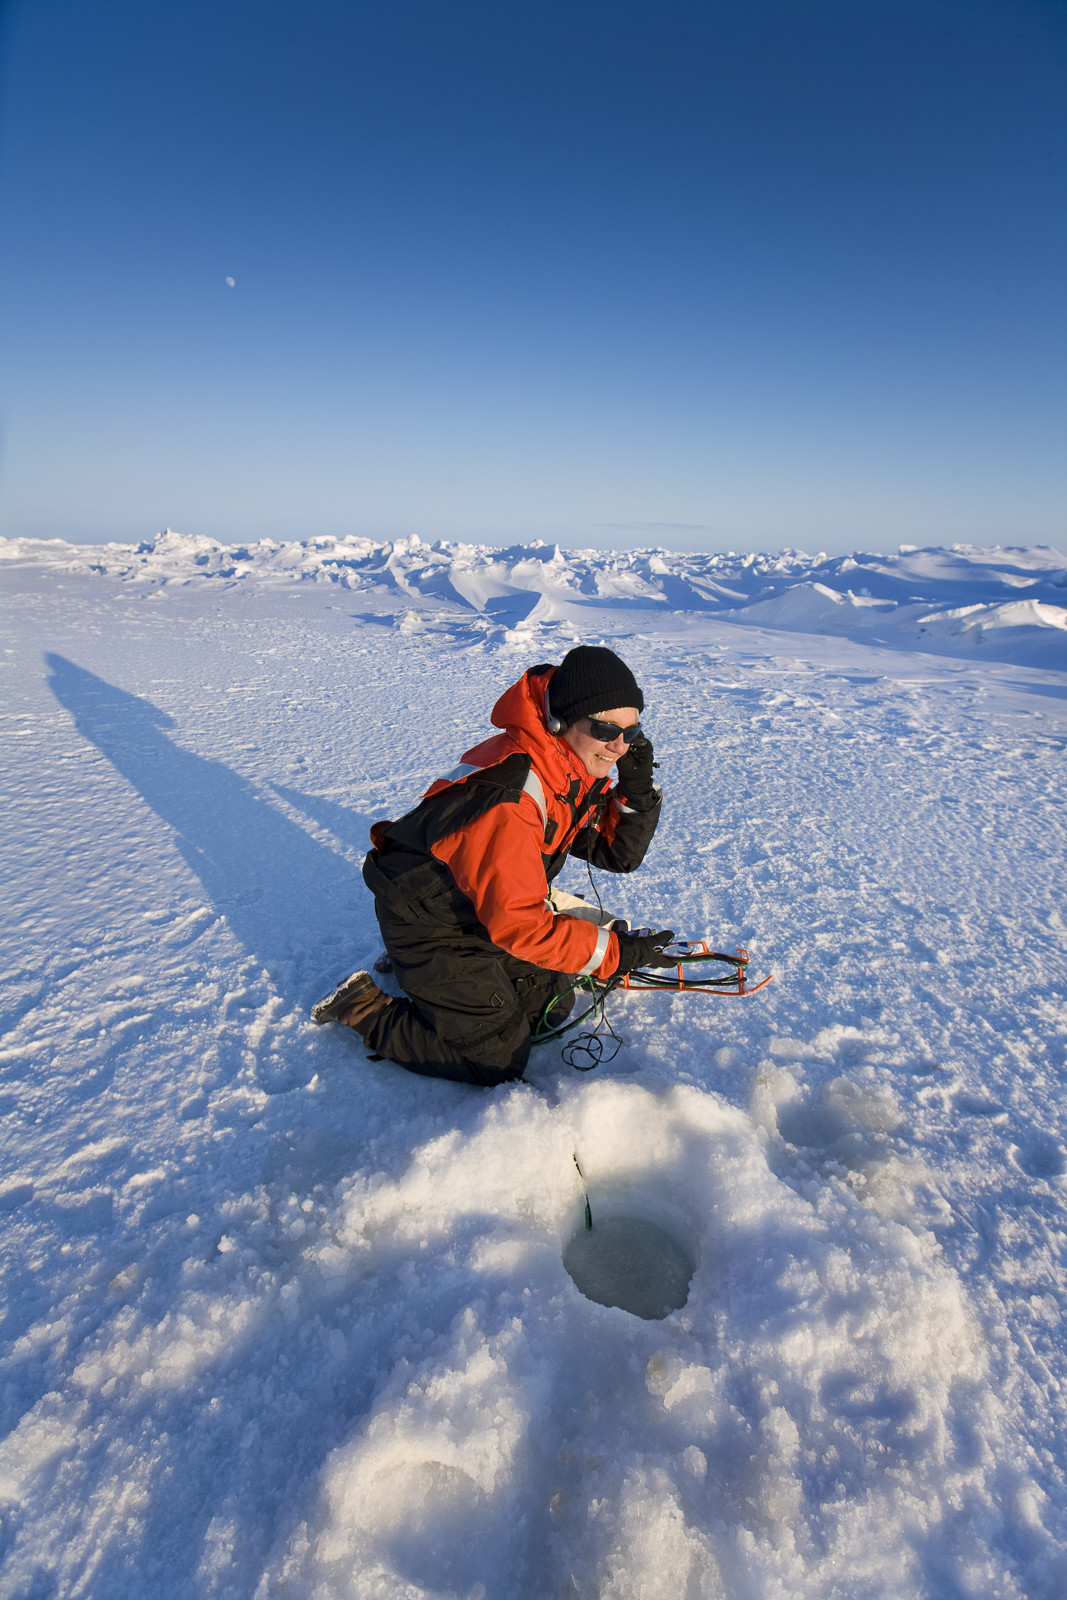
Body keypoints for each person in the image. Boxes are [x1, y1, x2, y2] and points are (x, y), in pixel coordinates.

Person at [311, 645, 675, 1085]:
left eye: (632, 733)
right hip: (431, 919)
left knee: (550, 1006)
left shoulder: (567, 767)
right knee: (497, 1057)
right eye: (605, 729)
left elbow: (617, 855)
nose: (619, 746)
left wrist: (635, 793)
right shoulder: (512, 797)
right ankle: (364, 1006)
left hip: (475, 906)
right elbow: (522, 927)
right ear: (562, 719)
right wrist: (613, 953)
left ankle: (426, 976)